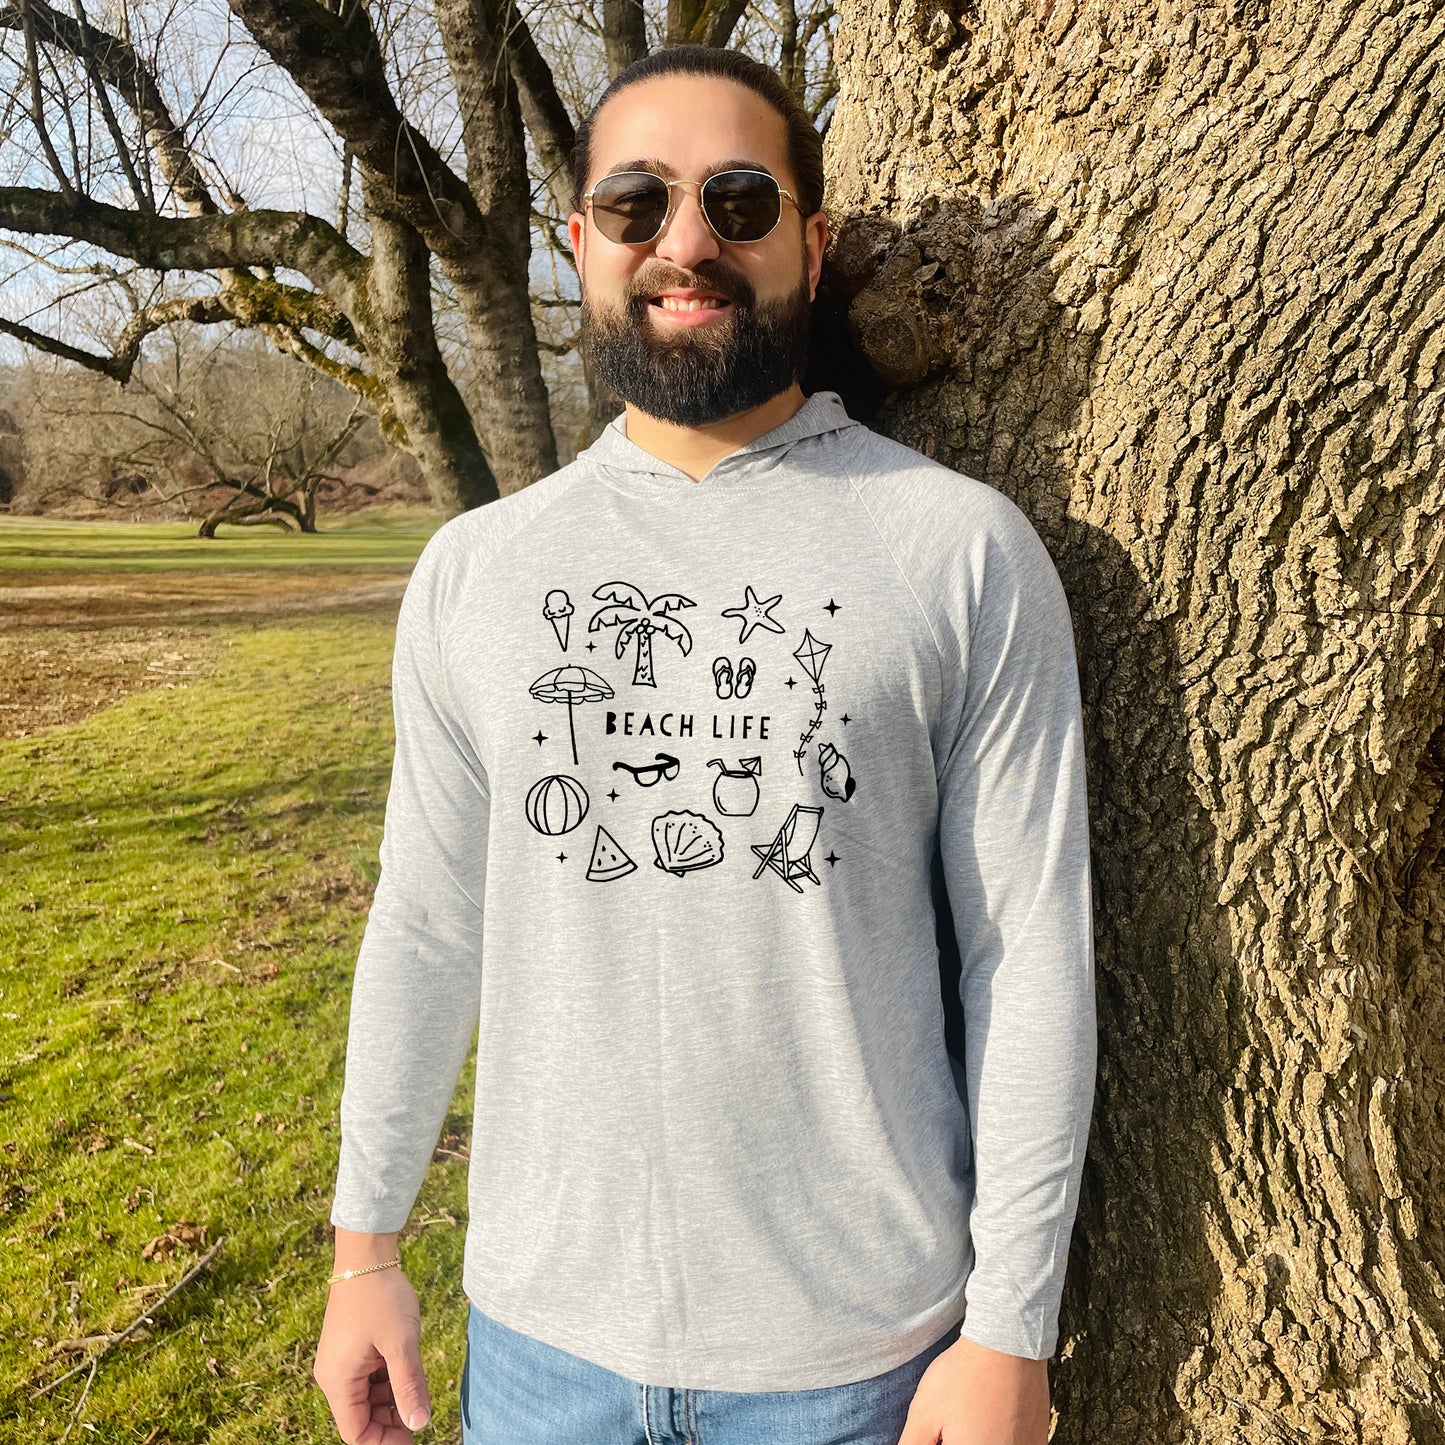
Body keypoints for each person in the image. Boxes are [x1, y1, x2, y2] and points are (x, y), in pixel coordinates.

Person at [313, 43, 1096, 1445]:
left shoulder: (959, 552)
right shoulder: (474, 570)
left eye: (738, 200)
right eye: (635, 205)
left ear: (811, 237)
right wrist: (364, 1249)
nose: (686, 242)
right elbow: (426, 926)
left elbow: (1027, 948)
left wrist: (1009, 1329)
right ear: (580, 244)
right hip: (538, 1347)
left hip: (863, 1357)